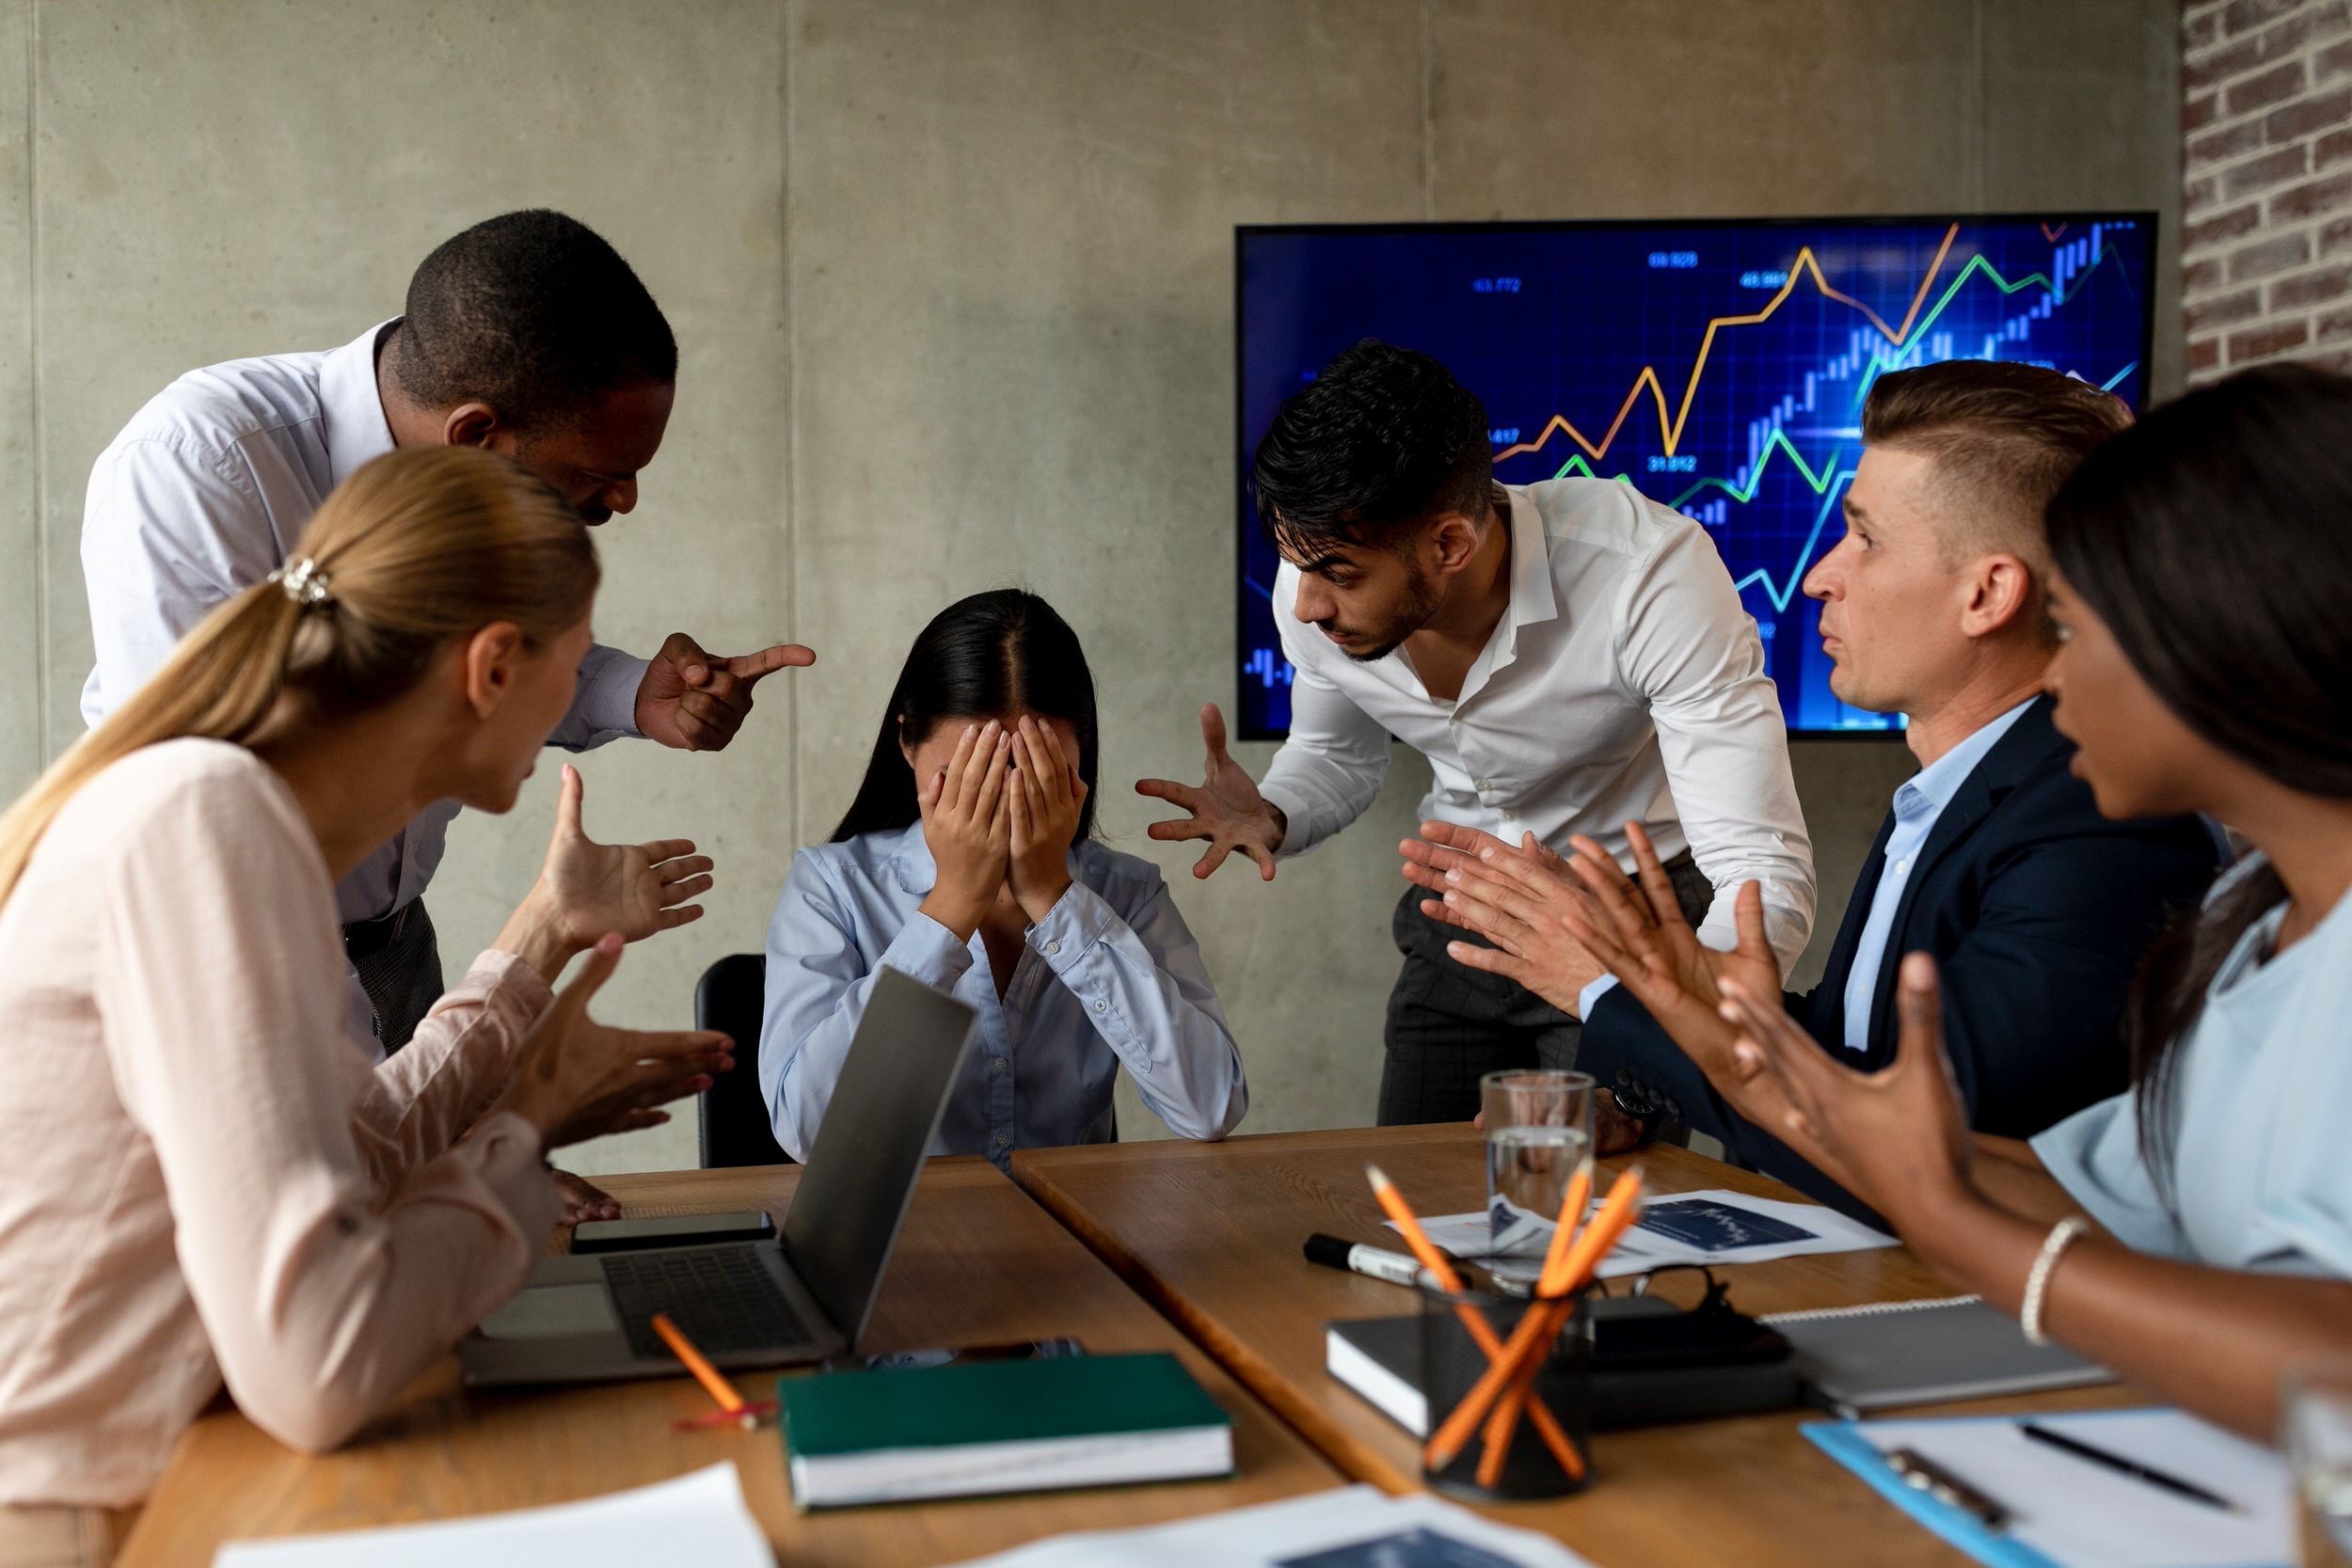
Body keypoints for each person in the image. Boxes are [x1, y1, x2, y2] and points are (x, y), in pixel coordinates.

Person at [1576, 364, 2352, 1438]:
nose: (2057, 674)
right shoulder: (2260, 929)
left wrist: (1958, 1226)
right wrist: (1750, 1057)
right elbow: (2082, 1193)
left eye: (2082, 624)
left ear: (2224, 638)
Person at [0, 446, 734, 1559]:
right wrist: (523, 1137)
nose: (571, 707)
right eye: (571, 664)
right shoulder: (209, 823)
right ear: (492, 667)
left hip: (158, 1472)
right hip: (79, 1516)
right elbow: (318, 1362)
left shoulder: (232, 813)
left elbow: (346, 1155)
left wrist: (528, 1003)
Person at [1406, 362, 2220, 1215]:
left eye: (1865, 539)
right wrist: (1656, 1010)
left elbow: (1916, 1146)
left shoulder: (2100, 822)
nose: (1820, 576)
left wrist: (1607, 986)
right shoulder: (1969, 791)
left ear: (1988, 592)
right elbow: (1856, 1056)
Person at [78, 209, 813, 1056]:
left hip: (396, 949)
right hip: (223, 955)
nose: (624, 503)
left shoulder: (471, 484)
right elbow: (205, 835)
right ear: (474, 435)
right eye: (600, 474)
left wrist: (628, 692)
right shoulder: (197, 465)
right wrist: (447, 1125)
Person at [1137, 340, 1816, 1124]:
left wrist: (1676, 1042)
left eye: (1338, 576)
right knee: (1418, 1206)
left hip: (1622, 918)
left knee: (1594, 1218)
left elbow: (1756, 861)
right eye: (1299, 567)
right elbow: (1335, 754)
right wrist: (1276, 812)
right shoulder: (1316, 573)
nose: (1306, 608)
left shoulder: (1646, 576)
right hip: (1453, 913)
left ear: (1451, 545)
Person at [764, 590, 1247, 1167]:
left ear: (1078, 760)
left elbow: (1211, 1106)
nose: (1002, 804)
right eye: (963, 779)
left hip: (1071, 1241)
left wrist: (1054, 898)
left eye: (1034, 778)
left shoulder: (1128, 893)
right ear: (906, 744)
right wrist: (951, 905)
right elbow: (807, 1132)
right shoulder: (832, 887)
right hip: (904, 1245)